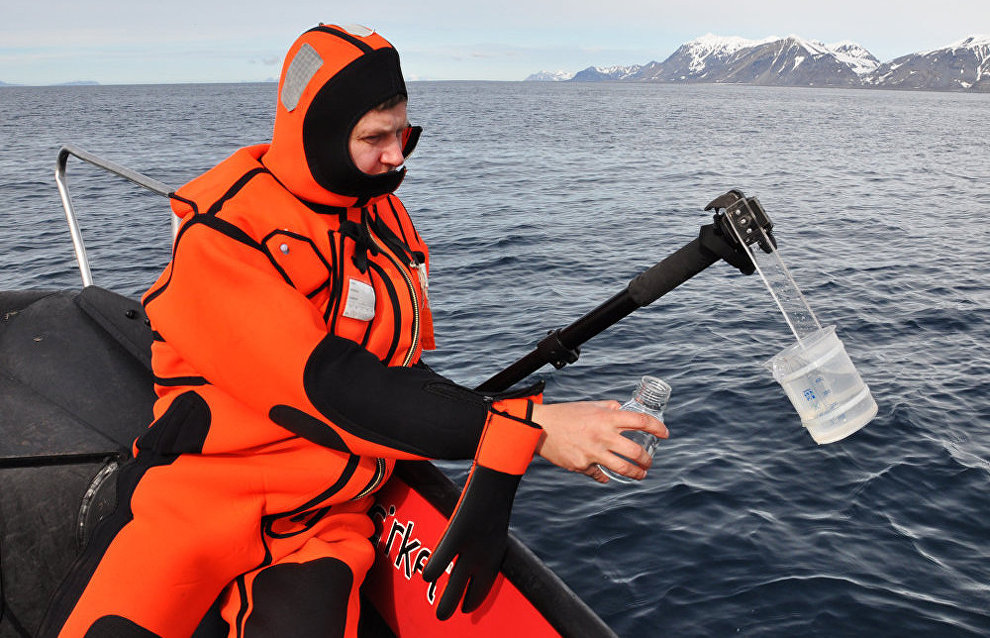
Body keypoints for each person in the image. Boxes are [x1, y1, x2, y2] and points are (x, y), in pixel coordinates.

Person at [39, 24, 668, 638]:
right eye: (376, 137)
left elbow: (398, 370)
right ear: (316, 132)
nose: (396, 156)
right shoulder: (224, 232)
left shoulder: (385, 216)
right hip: (196, 502)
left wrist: (500, 456)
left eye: (405, 134)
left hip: (329, 521)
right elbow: (327, 386)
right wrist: (530, 430)